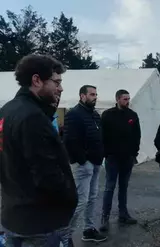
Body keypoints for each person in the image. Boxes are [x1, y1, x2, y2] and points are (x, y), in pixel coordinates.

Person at [0, 54, 78, 247]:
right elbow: (47, 175)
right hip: (39, 222)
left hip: (13, 214)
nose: (61, 88)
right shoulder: (32, 118)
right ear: (36, 80)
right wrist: (69, 198)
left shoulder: (7, 110)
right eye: (56, 82)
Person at [63, 85, 107, 243]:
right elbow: (69, 141)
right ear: (82, 96)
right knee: (80, 201)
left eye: (96, 94)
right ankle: (65, 236)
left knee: (92, 198)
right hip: (83, 165)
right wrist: (83, 160)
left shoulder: (94, 114)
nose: (95, 97)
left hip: (96, 163)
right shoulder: (73, 114)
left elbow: (99, 137)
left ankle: (88, 229)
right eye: (92, 94)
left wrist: (100, 156)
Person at [100, 89, 141, 231]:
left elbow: (137, 136)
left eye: (128, 99)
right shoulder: (107, 115)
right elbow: (102, 136)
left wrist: (134, 153)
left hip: (127, 158)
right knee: (109, 187)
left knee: (123, 186)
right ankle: (104, 216)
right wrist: (106, 153)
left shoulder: (133, 115)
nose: (127, 101)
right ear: (117, 99)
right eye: (125, 99)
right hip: (112, 158)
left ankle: (123, 214)